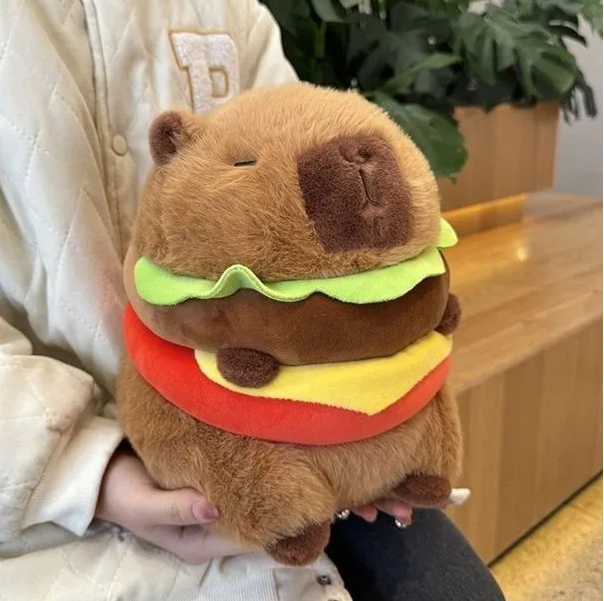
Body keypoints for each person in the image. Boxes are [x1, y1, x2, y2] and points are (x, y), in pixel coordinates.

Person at [0, 1, 505, 599]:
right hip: (49, 478)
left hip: (315, 419)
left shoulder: (233, 11)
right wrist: (89, 473)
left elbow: (302, 134)